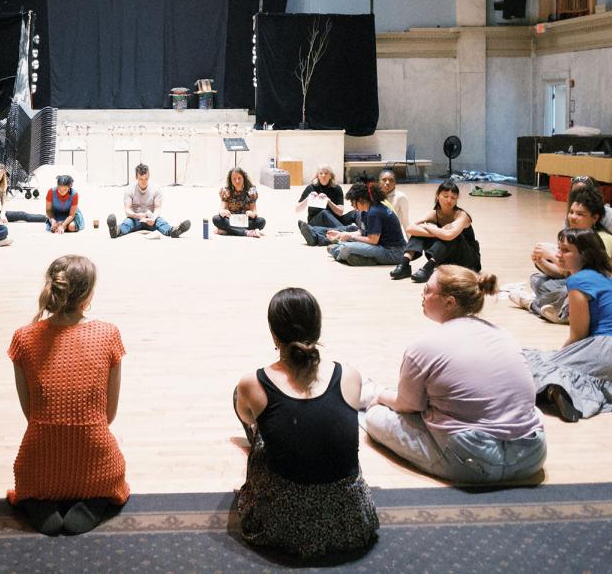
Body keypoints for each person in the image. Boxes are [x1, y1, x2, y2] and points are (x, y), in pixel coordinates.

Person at [364, 266, 546, 483]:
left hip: (475, 460)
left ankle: (368, 392)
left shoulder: (424, 347)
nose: (422, 295)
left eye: (428, 290)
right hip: (531, 455)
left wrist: (380, 398)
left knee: (375, 415)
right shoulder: (502, 335)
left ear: (449, 302)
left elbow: (408, 406)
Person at [233, 287, 379, 558]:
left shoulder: (252, 382)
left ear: (274, 335)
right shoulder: (349, 374)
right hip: (351, 522)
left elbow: (246, 418)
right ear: (318, 329)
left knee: (255, 417)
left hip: (282, 526)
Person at [8, 255, 127, 536]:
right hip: (96, 460)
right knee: (106, 475)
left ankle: (41, 502)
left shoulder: (23, 338)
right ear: (88, 295)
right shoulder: (108, 334)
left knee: (35, 482)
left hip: (40, 462)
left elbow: (31, 413)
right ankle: (93, 498)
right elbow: (108, 415)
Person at [521, 229, 612, 422]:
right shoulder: (604, 276)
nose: (558, 255)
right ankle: (558, 389)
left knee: (534, 362)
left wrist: (559, 357)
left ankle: (558, 388)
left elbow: (578, 335)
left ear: (585, 255)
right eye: (559, 249)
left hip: (607, 348)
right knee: (545, 361)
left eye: (566, 251)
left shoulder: (578, 281)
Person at [517, 185, 612, 323]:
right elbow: (564, 272)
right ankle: (556, 306)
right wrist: (541, 262)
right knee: (537, 279)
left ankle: (537, 305)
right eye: (571, 212)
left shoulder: (602, 239)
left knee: (567, 291)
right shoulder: (574, 235)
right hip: (577, 281)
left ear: (595, 218)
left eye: (580, 214)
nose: (573, 217)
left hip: (595, 290)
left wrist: (553, 255)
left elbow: (587, 277)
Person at [389, 179, 481, 284]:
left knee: (453, 235)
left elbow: (449, 235)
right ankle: (404, 264)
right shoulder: (434, 214)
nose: (449, 200)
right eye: (445, 196)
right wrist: (438, 231)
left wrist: (432, 228)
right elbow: (410, 229)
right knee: (419, 232)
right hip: (446, 257)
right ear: (438, 196)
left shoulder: (462, 215)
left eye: (453, 197)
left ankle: (428, 267)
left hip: (468, 260)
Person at [321, 182, 406, 267]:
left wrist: (350, 237)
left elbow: (373, 240)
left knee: (347, 248)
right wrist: (341, 234)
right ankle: (360, 257)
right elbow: (362, 232)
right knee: (349, 243)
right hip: (381, 246)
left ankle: (338, 250)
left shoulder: (374, 212)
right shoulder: (366, 210)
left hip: (394, 253)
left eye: (353, 201)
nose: (352, 205)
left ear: (361, 200)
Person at [106, 163, 190, 239]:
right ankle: (115, 230)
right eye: (141, 179)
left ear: (149, 176)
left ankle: (174, 231)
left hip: (151, 219)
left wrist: (153, 218)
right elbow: (127, 210)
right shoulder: (129, 189)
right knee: (127, 223)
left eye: (146, 178)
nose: (144, 182)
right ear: (136, 177)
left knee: (160, 222)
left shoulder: (156, 189)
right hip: (135, 218)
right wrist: (137, 215)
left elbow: (158, 208)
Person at [214, 167, 266, 237]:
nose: (237, 181)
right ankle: (247, 232)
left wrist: (253, 214)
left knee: (261, 222)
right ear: (231, 180)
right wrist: (223, 212)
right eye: (234, 179)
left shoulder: (251, 191)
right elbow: (222, 209)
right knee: (216, 219)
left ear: (243, 178)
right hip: (231, 220)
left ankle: (227, 231)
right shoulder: (226, 191)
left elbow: (254, 211)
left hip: (245, 221)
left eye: (239, 178)